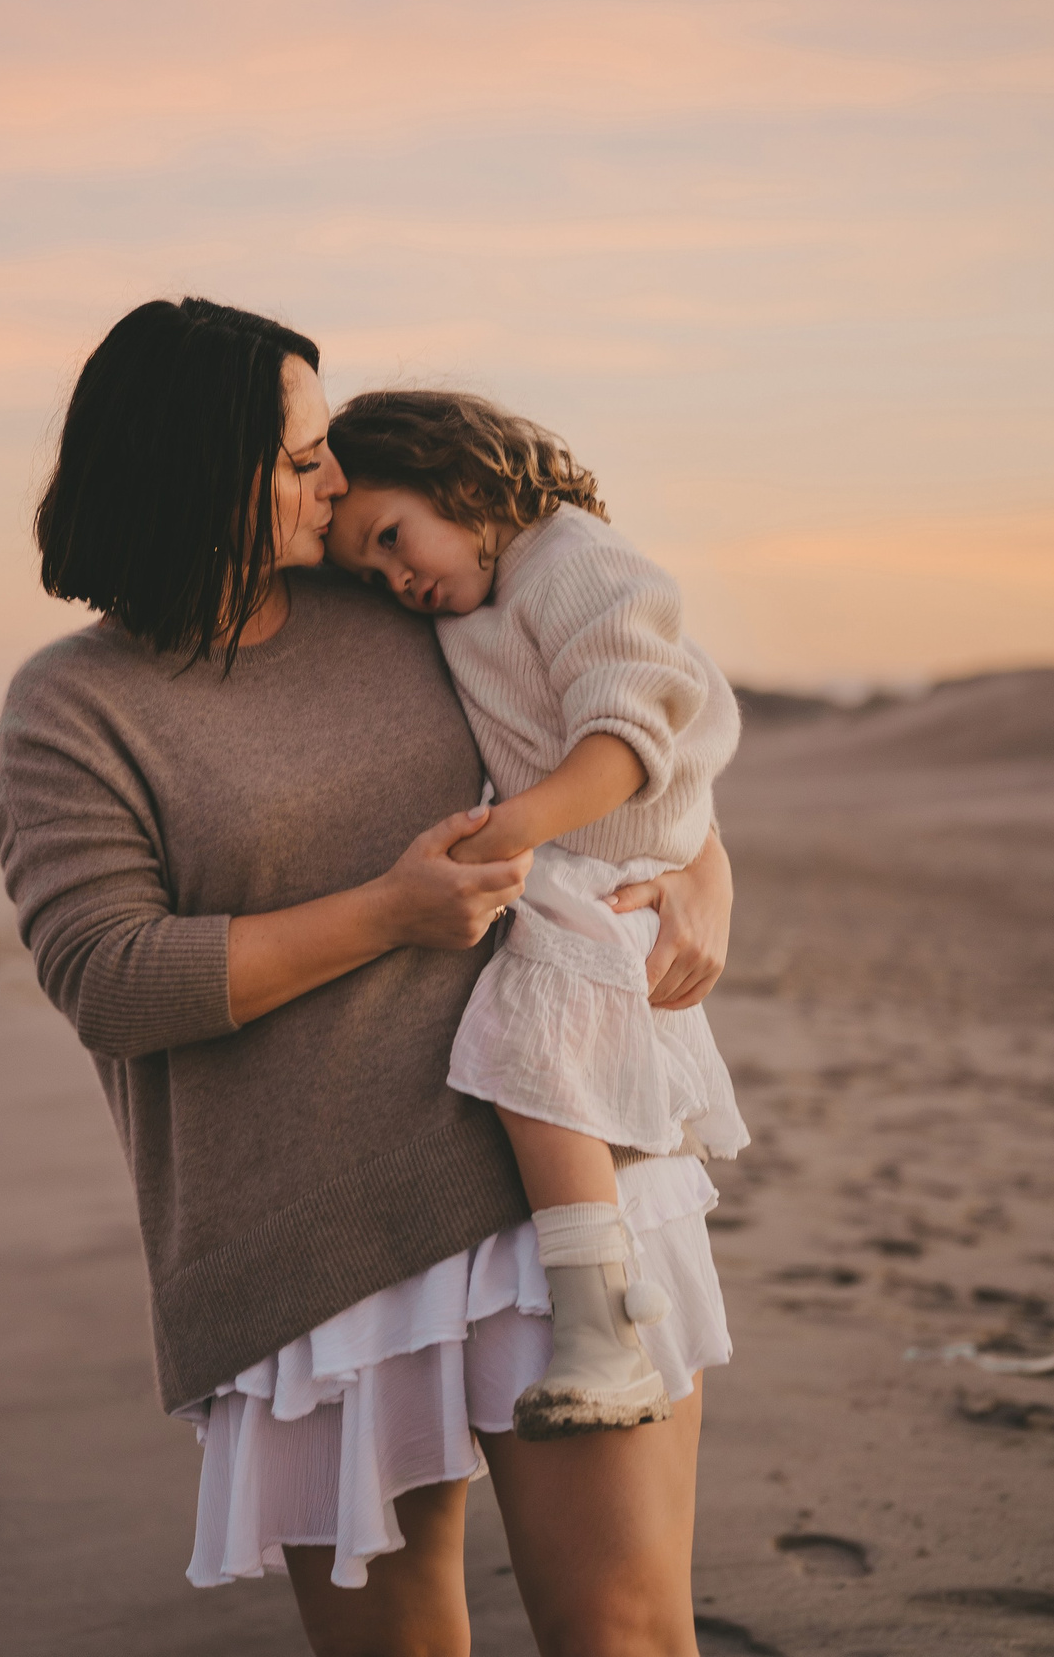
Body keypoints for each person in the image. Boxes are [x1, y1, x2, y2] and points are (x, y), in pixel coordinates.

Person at [0, 298, 734, 1656]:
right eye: (301, 457)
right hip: (304, 1242)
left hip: (555, 1197)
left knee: (624, 1633)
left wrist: (706, 872)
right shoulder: (71, 711)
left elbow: (621, 708)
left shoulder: (399, 595)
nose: (336, 485)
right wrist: (388, 912)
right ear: (199, 472)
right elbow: (110, 979)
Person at [324, 390, 747, 1445]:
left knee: (533, 1049)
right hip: (582, 855)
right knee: (538, 1053)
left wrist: (509, 831)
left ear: (457, 475)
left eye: (392, 538)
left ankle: (602, 1337)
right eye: (371, 575)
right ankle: (602, 1323)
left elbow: (626, 731)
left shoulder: (574, 561)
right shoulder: (479, 599)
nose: (398, 578)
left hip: (604, 858)